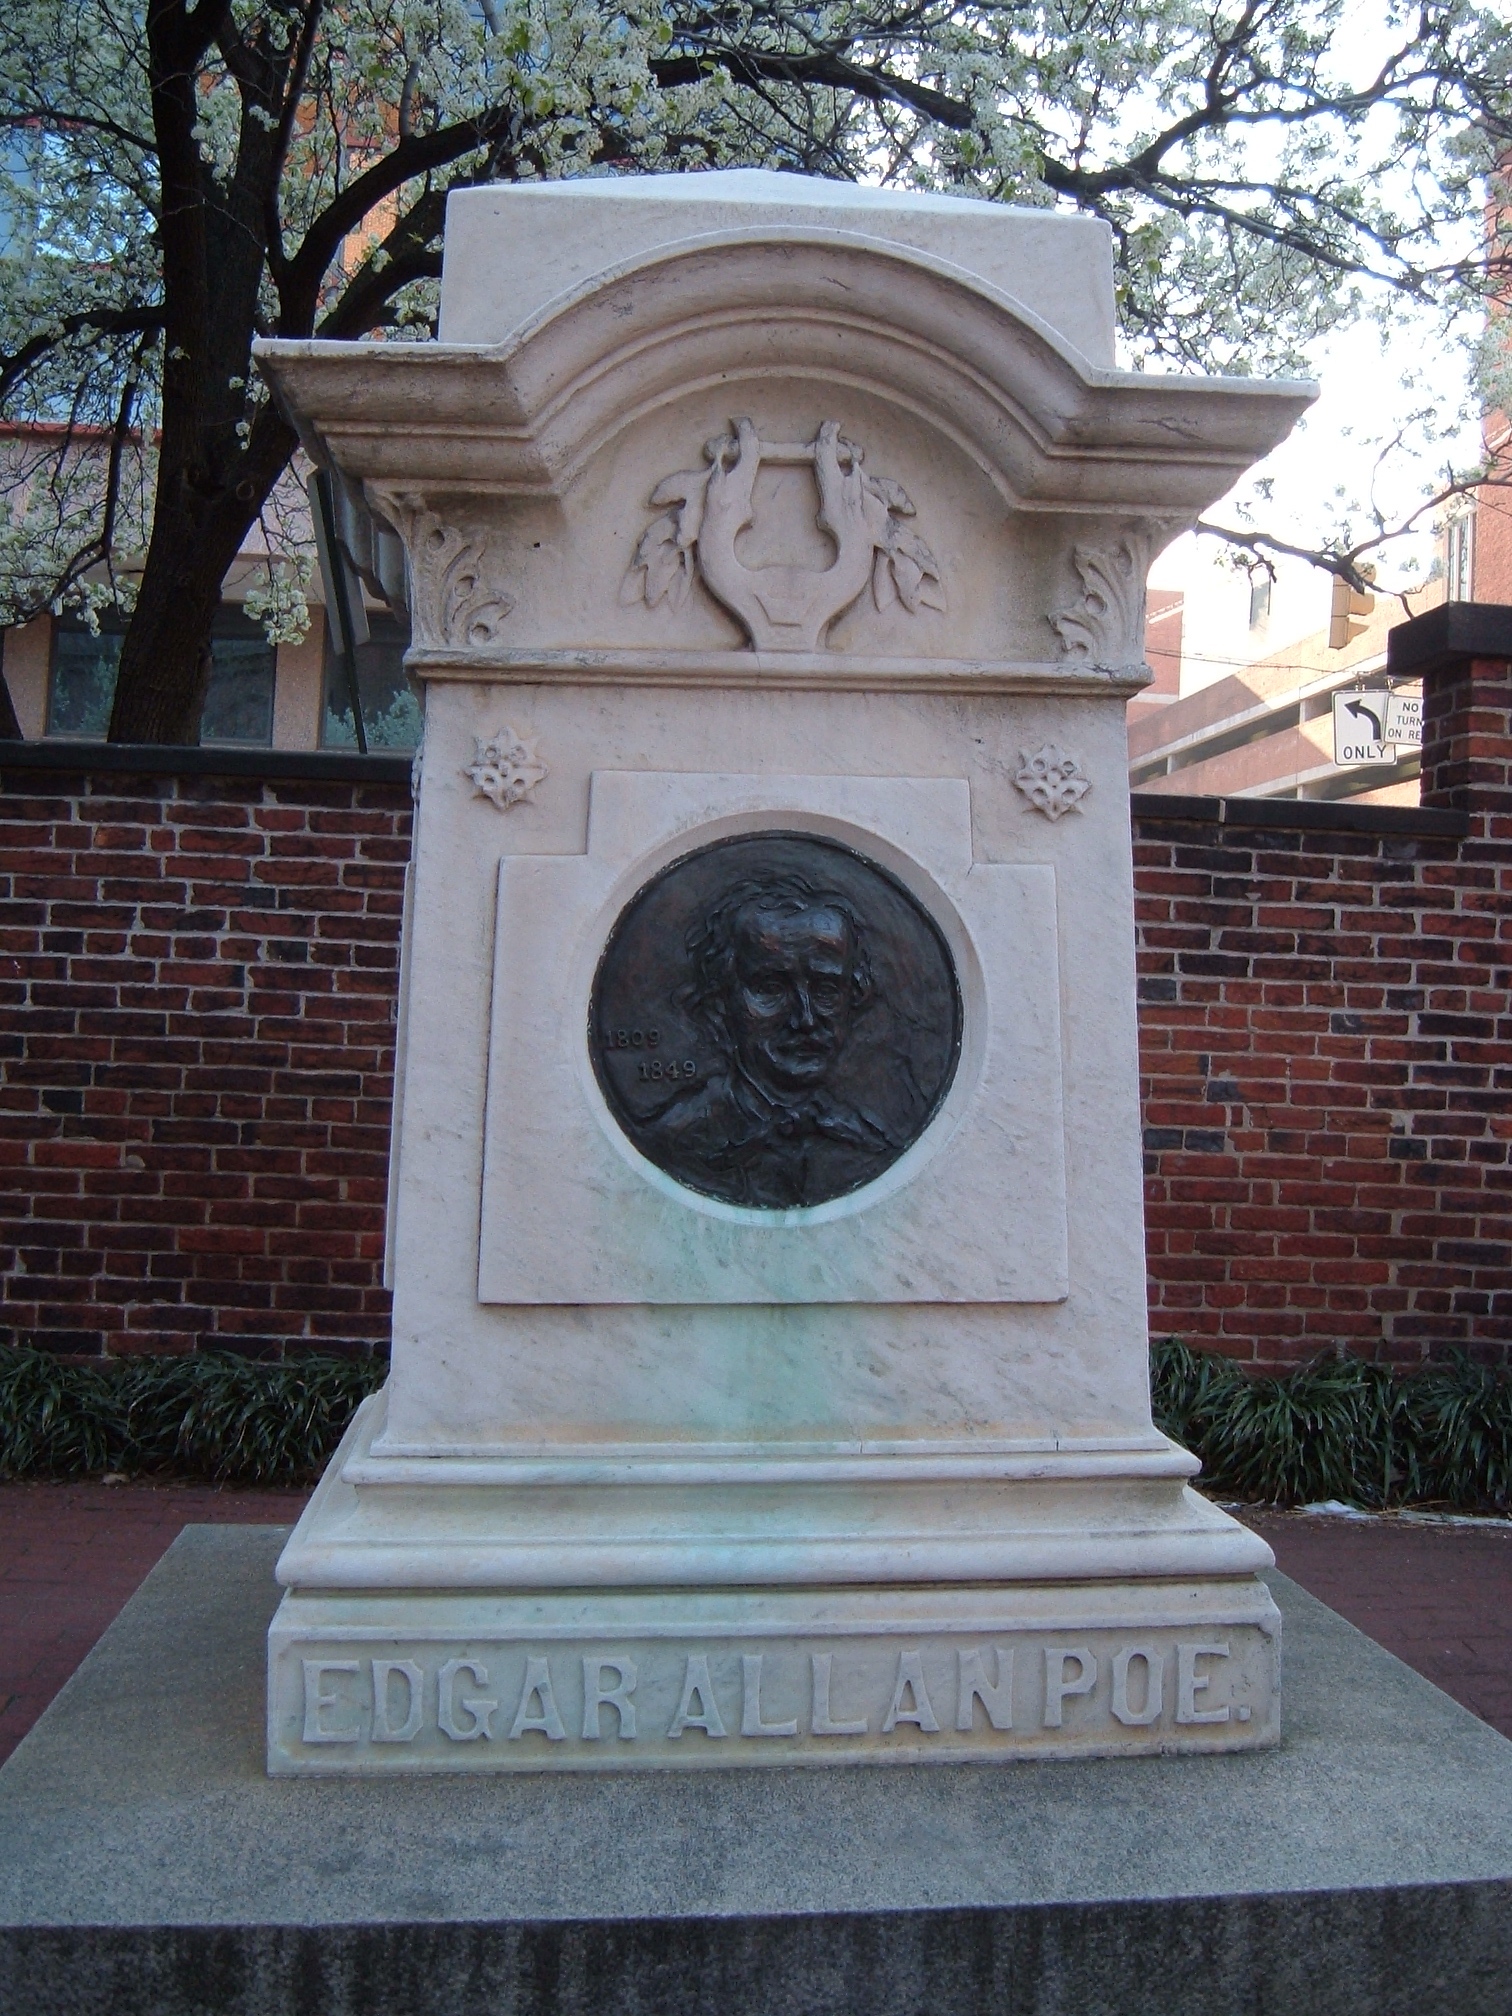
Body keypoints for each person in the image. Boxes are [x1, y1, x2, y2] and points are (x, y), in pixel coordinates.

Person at [638, 871, 900, 1208]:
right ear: (720, 1005)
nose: (805, 1019)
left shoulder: (867, 1145)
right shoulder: (673, 1141)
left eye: (826, 990)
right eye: (771, 989)